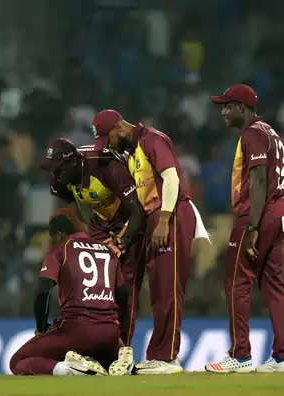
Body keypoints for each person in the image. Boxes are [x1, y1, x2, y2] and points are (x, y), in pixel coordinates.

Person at [93, 109, 210, 374]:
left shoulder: (151, 139)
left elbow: (171, 177)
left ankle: (167, 357)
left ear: (117, 129)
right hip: (154, 215)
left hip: (171, 212)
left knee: (167, 287)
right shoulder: (133, 150)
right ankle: (159, 354)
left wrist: (165, 219)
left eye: (107, 139)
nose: (107, 145)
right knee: (158, 287)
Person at [205, 85, 284, 373]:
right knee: (275, 285)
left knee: (237, 282)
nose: (224, 112)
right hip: (279, 212)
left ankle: (240, 356)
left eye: (227, 106)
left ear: (241, 107)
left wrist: (252, 225)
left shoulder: (252, 133)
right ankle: (282, 357)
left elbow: (260, 180)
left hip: (258, 212)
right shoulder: (271, 132)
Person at [40, 138, 146, 346]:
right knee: (91, 282)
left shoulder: (107, 167)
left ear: (73, 162)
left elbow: (137, 210)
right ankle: (90, 344)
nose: (55, 175)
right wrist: (87, 236)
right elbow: (71, 206)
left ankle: (122, 348)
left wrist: (121, 240)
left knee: (125, 285)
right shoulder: (60, 178)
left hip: (130, 220)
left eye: (58, 169)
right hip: (100, 223)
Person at [9, 208, 134, 377]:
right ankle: (117, 360)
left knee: (18, 361)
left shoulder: (61, 250)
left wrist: (41, 328)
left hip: (76, 330)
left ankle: (68, 369)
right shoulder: (107, 251)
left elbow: (43, 292)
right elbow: (123, 295)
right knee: (101, 364)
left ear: (59, 234)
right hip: (109, 334)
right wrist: (116, 330)